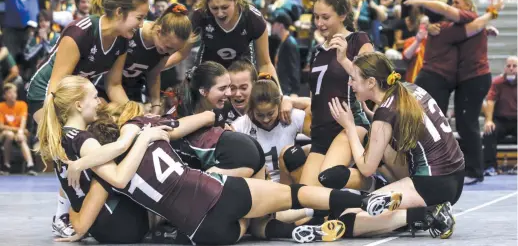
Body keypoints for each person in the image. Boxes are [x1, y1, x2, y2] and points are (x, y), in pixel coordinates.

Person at [37, 75, 404, 245]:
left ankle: (290, 231)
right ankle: (365, 200)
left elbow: (112, 172)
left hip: (204, 232)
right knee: (296, 196)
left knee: (256, 223)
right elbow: (120, 166)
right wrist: (150, 131)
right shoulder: (138, 129)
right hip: (213, 191)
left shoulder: (111, 146)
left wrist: (80, 166)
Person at [326, 52, 463, 240]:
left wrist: (349, 127)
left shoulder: (385, 114)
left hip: (433, 184)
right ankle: (410, 207)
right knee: (384, 147)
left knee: (346, 219)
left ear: (372, 82)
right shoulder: (407, 88)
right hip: (455, 177)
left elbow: (366, 168)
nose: (350, 84)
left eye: (353, 79)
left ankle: (427, 214)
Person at [35, 76, 176, 243]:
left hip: (98, 227)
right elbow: (119, 178)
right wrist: (144, 138)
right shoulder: (83, 140)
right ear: (79, 105)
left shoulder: (61, 138)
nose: (99, 103)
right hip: (122, 225)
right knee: (141, 162)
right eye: (94, 97)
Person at [405, 0, 506, 185]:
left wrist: (490, 17)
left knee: (463, 124)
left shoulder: (459, 24)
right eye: (452, 3)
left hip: (470, 78)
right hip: (445, 79)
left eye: (457, 3)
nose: (452, 6)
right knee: (443, 124)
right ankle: (441, 166)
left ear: (468, 6)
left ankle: (473, 170)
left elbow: (469, 23)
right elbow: (471, 26)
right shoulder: (447, 28)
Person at [26, 0, 149, 124]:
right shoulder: (81, 32)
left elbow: (113, 85)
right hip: (46, 93)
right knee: (71, 141)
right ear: (119, 12)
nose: (141, 25)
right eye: (139, 18)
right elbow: (56, 84)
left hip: (76, 96)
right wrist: (54, 127)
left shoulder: (123, 39)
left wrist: (134, 113)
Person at [297, 0, 373, 191]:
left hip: (349, 125)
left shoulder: (358, 40)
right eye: (316, 17)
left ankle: (373, 181)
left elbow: (372, 82)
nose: (319, 23)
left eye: (325, 17)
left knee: (327, 178)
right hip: (321, 131)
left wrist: (344, 59)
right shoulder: (317, 51)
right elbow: (316, 96)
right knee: (306, 197)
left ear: (342, 15)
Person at [165, 0, 286, 100]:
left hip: (241, 72)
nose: (219, 13)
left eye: (225, 7)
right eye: (214, 8)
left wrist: (280, 97)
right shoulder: (200, 15)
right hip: (209, 72)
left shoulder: (253, 19)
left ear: (236, 0)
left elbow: (265, 64)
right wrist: (157, 67)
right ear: (207, 4)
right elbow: (181, 52)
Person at [94, 3, 193, 115]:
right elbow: (113, 83)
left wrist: (156, 104)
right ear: (158, 31)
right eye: (168, 47)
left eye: (174, 50)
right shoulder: (131, 32)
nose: (169, 53)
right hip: (106, 87)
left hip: (133, 91)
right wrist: (132, 112)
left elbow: (154, 75)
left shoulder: (164, 48)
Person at [173, 61, 265, 178]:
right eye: (222, 88)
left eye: (228, 87)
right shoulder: (181, 110)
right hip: (245, 155)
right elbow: (167, 132)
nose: (229, 93)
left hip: (247, 155)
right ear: (203, 91)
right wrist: (206, 118)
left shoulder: (221, 106)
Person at [232, 73, 311, 184]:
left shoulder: (289, 115)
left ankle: (305, 196)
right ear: (251, 110)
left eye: (270, 113)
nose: (265, 120)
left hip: (288, 182)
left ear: (279, 106)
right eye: (259, 115)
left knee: (292, 154)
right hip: (260, 185)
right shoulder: (240, 126)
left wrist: (291, 101)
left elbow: (317, 108)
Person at [482, 56, 517, 176]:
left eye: (514, 66)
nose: (511, 69)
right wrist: (489, 120)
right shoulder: (497, 82)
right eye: (509, 66)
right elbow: (490, 101)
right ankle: (490, 166)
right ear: (505, 68)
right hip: (501, 120)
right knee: (489, 131)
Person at [0, 83, 35, 175]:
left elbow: (23, 121)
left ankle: (30, 165)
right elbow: (1, 126)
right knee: (9, 135)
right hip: (4, 134)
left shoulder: (22, 104)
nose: (13, 94)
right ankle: (6, 165)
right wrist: (19, 130)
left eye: (14, 92)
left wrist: (20, 131)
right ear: (4, 95)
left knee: (21, 138)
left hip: (18, 133)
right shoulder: (1, 106)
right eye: (9, 92)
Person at [271, 12, 301, 97]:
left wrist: (294, 92)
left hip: (288, 91)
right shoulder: (283, 42)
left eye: (274, 24)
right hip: (283, 89)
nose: (272, 27)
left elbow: (294, 67)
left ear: (280, 25)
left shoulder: (290, 43)